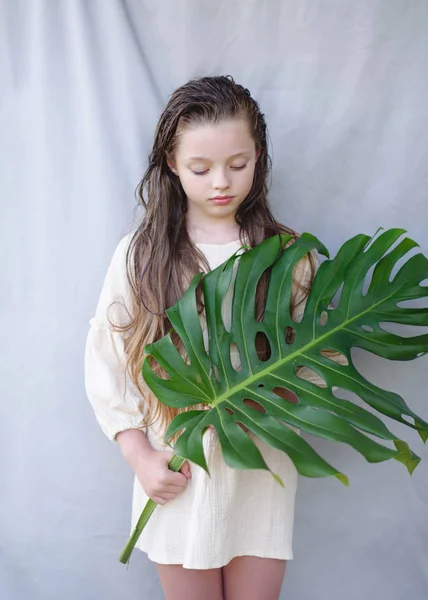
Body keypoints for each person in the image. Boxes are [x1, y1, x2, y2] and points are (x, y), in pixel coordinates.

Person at [85, 75, 317, 600]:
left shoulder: (288, 256)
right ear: (171, 163)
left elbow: (313, 355)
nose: (221, 182)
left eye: (238, 165)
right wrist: (139, 456)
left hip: (260, 471)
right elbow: (107, 363)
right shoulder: (140, 255)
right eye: (200, 167)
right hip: (177, 469)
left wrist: (278, 397)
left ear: (258, 157)